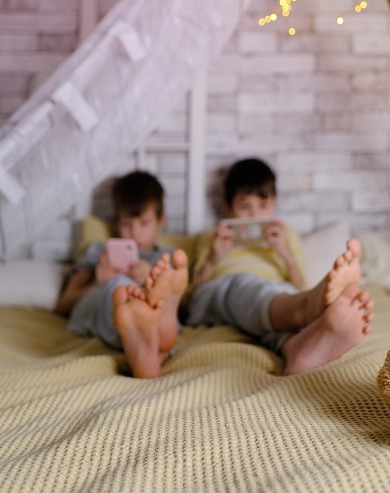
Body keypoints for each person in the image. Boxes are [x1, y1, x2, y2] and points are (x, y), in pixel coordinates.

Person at [185, 158, 373, 376]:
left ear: (273, 203)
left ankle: (297, 350)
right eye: (245, 207)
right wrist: (213, 257)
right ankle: (303, 308)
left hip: (274, 293)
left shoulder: (286, 235)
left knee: (277, 303)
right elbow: (194, 293)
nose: (255, 215)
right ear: (228, 206)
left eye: (263, 205)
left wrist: (285, 253)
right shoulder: (212, 236)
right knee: (249, 287)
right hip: (219, 292)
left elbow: (298, 283)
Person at [56, 170, 188, 379]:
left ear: (160, 219)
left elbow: (188, 307)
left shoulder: (167, 257)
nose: (134, 232)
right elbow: (64, 303)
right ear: (116, 220)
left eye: (144, 223)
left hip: (147, 301)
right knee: (119, 288)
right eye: (126, 224)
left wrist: (148, 280)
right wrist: (99, 280)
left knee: (154, 298)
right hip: (102, 300)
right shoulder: (99, 250)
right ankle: (152, 341)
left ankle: (150, 336)